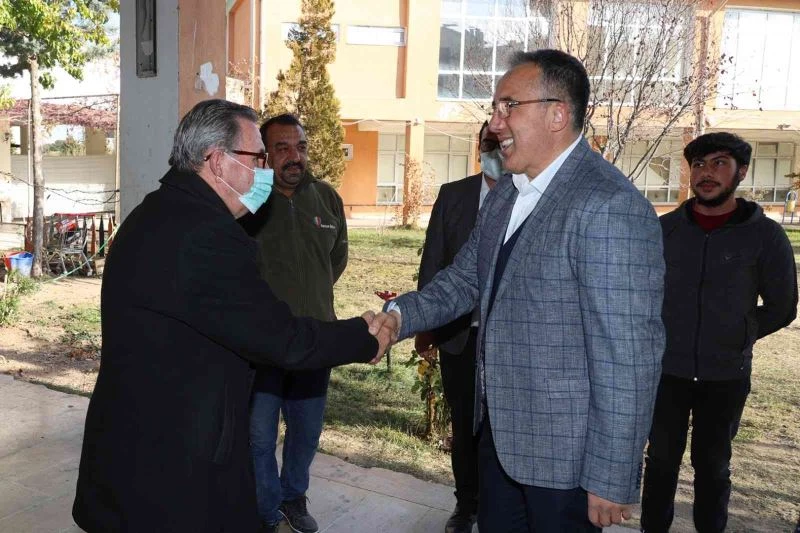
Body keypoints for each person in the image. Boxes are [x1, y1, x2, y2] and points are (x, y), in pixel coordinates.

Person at [367, 49, 665, 531]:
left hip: (567, 465)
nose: (494, 123)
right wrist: (399, 317)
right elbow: (464, 279)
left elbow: (628, 356)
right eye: (495, 108)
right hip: (501, 442)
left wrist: (612, 474)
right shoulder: (509, 191)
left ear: (557, 114)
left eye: (509, 106)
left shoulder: (608, 206)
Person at [72, 99, 389, 533]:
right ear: (218, 161)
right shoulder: (206, 234)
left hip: (137, 448)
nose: (264, 170)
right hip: (172, 469)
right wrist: (365, 336)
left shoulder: (157, 211)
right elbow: (281, 339)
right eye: (257, 157)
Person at [640, 132, 798, 533]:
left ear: (741, 172)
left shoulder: (765, 236)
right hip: (667, 372)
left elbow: (782, 306)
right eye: (699, 164)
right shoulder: (665, 230)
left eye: (719, 163)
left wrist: (739, 332)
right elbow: (640, 293)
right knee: (660, 462)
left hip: (725, 375)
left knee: (712, 466)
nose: (706, 173)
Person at [239, 114, 346, 533]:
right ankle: (266, 510)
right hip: (263, 344)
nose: (294, 156)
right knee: (259, 435)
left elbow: (336, 259)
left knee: (306, 431)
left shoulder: (327, 198)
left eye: (300, 146)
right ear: (265, 155)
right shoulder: (249, 202)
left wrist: (310, 300)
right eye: (282, 148)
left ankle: (293, 498)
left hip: (314, 340)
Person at [414, 120, 502, 533]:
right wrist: (425, 326)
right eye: (488, 143)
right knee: (464, 426)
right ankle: (466, 506)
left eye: (500, 143)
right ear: (478, 147)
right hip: (459, 337)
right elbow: (433, 260)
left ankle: (499, 507)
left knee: (500, 430)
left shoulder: (528, 196)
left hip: (506, 342)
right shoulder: (454, 196)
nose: (494, 151)